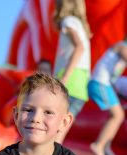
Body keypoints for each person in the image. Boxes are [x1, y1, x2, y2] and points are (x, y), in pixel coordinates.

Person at [53, 0, 92, 143]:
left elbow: (79, 47)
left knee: (51, 131)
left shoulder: (68, 21)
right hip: (80, 85)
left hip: (70, 79)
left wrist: (64, 78)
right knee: (58, 134)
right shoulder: (81, 25)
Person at [88, 41, 127, 155]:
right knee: (118, 115)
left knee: (115, 116)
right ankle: (99, 145)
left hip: (105, 85)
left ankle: (105, 146)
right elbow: (123, 53)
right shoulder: (122, 46)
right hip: (100, 83)